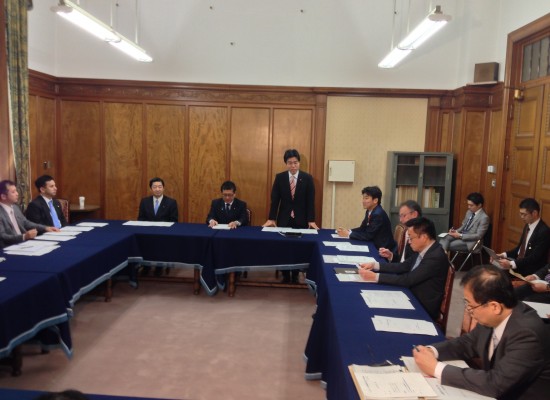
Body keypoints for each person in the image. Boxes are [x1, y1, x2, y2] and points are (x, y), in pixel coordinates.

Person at [413, 264, 550, 399]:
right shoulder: (496, 315)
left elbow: (496, 384)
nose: (468, 311)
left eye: (470, 305)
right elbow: (468, 342)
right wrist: (432, 351)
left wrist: (436, 368)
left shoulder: (527, 334)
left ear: (494, 307)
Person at [358, 217, 448, 320]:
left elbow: (408, 279)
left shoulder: (435, 256)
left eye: (411, 238)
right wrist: (375, 265)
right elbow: (403, 266)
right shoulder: (425, 249)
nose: (409, 242)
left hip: (422, 306)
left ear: (423, 237)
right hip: (411, 294)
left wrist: (375, 277)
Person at [262, 149, 319, 283]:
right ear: (286, 163)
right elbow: (275, 200)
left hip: (301, 218)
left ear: (299, 163)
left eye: (295, 162)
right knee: (284, 247)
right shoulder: (280, 178)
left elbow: (310, 201)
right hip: (284, 218)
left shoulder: (307, 178)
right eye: (290, 163)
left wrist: (311, 220)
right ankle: (285, 274)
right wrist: (271, 218)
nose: (293, 166)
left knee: (298, 247)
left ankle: (296, 273)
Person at [495, 198, 550, 276]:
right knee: (494, 269)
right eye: (520, 214)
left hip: (531, 271)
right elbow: (520, 249)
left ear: (534, 213)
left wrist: (511, 264)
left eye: (524, 214)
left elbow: (534, 257)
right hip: (520, 264)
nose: (521, 217)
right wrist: (503, 255)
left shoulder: (544, 231)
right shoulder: (527, 225)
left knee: (499, 275)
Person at [137, 177, 178, 276]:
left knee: (161, 242)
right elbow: (140, 218)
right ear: (151, 189)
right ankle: (146, 266)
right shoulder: (144, 201)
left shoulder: (171, 202)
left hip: (164, 233)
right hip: (147, 232)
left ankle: (159, 267)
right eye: (154, 187)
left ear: (163, 188)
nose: (157, 189)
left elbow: (174, 220)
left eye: (160, 187)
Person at [0, 179, 59, 247]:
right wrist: (24, 236)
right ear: (3, 196)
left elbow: (26, 223)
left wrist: (45, 228)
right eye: (13, 192)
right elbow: (2, 236)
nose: (17, 194)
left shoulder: (15, 207)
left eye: (16, 191)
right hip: (8, 247)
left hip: (24, 244)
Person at [336, 186, 396, 251]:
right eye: (363, 198)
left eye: (366, 198)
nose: (363, 201)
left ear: (375, 200)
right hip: (374, 243)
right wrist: (348, 231)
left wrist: (348, 234)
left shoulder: (378, 214)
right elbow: (363, 228)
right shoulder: (369, 210)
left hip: (382, 249)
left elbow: (368, 235)